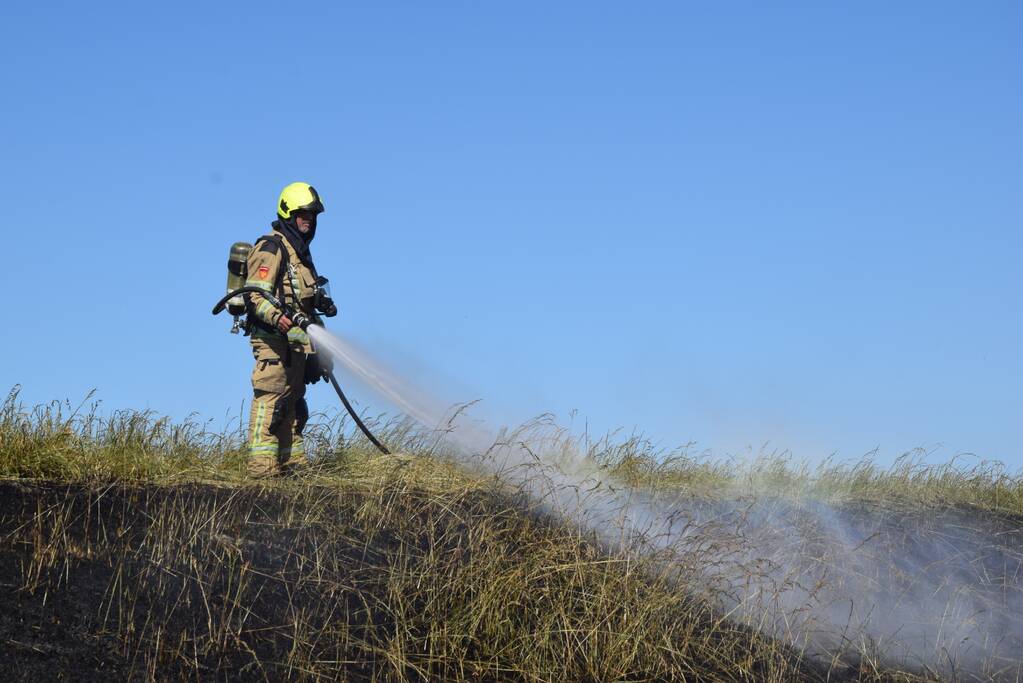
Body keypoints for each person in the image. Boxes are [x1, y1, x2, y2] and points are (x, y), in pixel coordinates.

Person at [244, 182, 337, 476]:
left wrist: (322, 347)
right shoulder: (271, 248)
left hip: (297, 344)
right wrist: (276, 317)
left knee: (294, 402)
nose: (308, 220)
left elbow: (305, 309)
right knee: (271, 397)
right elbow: (253, 295)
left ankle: (292, 463)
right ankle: (262, 465)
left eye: (313, 215)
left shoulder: (301, 255)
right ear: (288, 213)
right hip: (272, 341)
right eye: (303, 214)